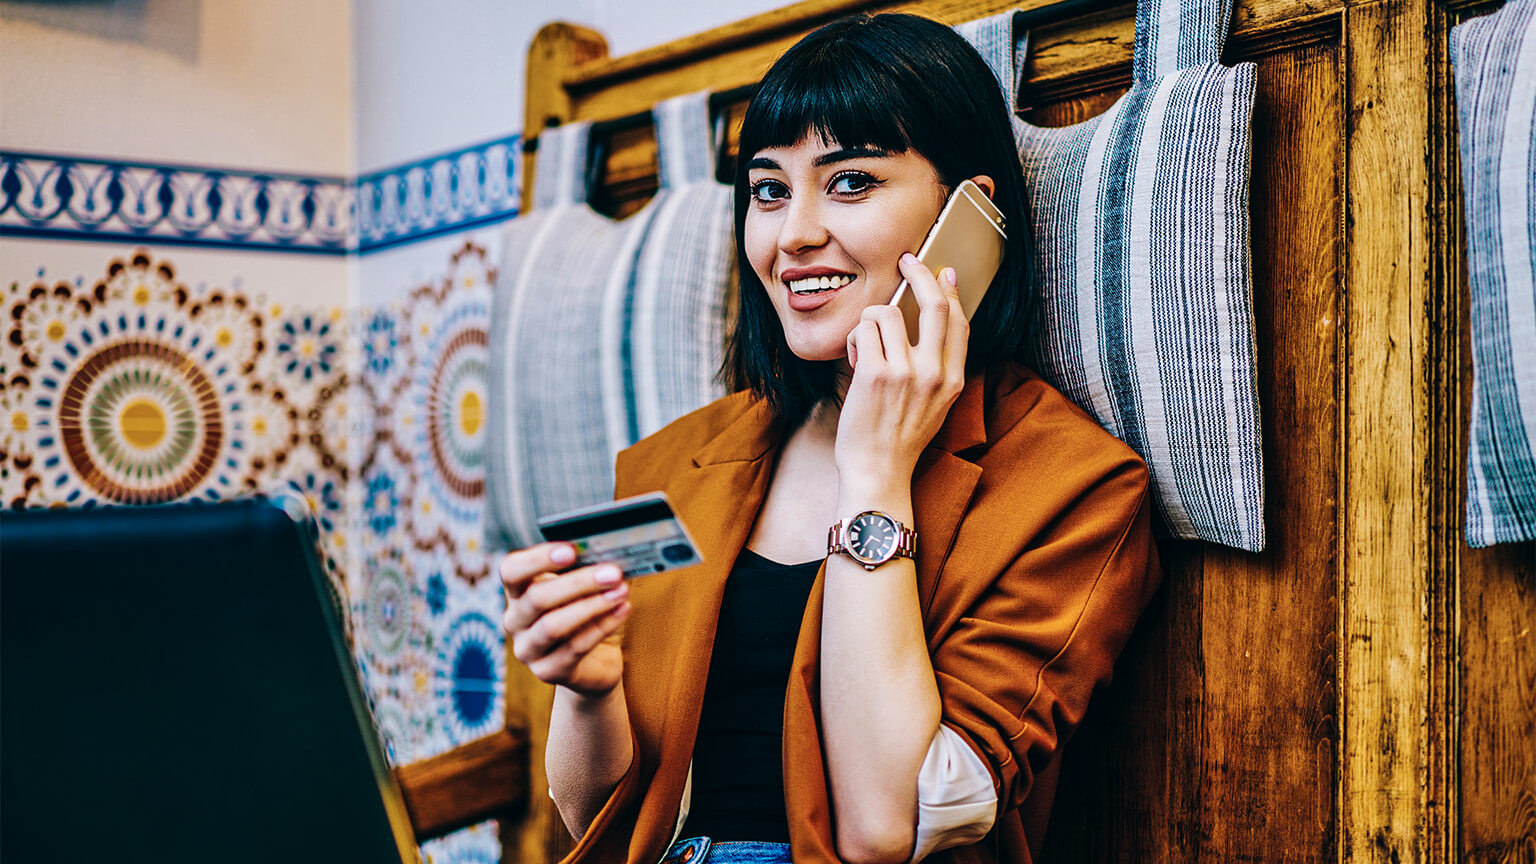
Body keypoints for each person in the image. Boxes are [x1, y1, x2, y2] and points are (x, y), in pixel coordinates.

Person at [499, 13, 1160, 864]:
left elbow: (887, 828)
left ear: (971, 215)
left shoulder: (1075, 489)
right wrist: (586, 691)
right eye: (769, 191)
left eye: (850, 182)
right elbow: (599, 820)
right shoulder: (670, 463)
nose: (793, 233)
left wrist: (876, 474)